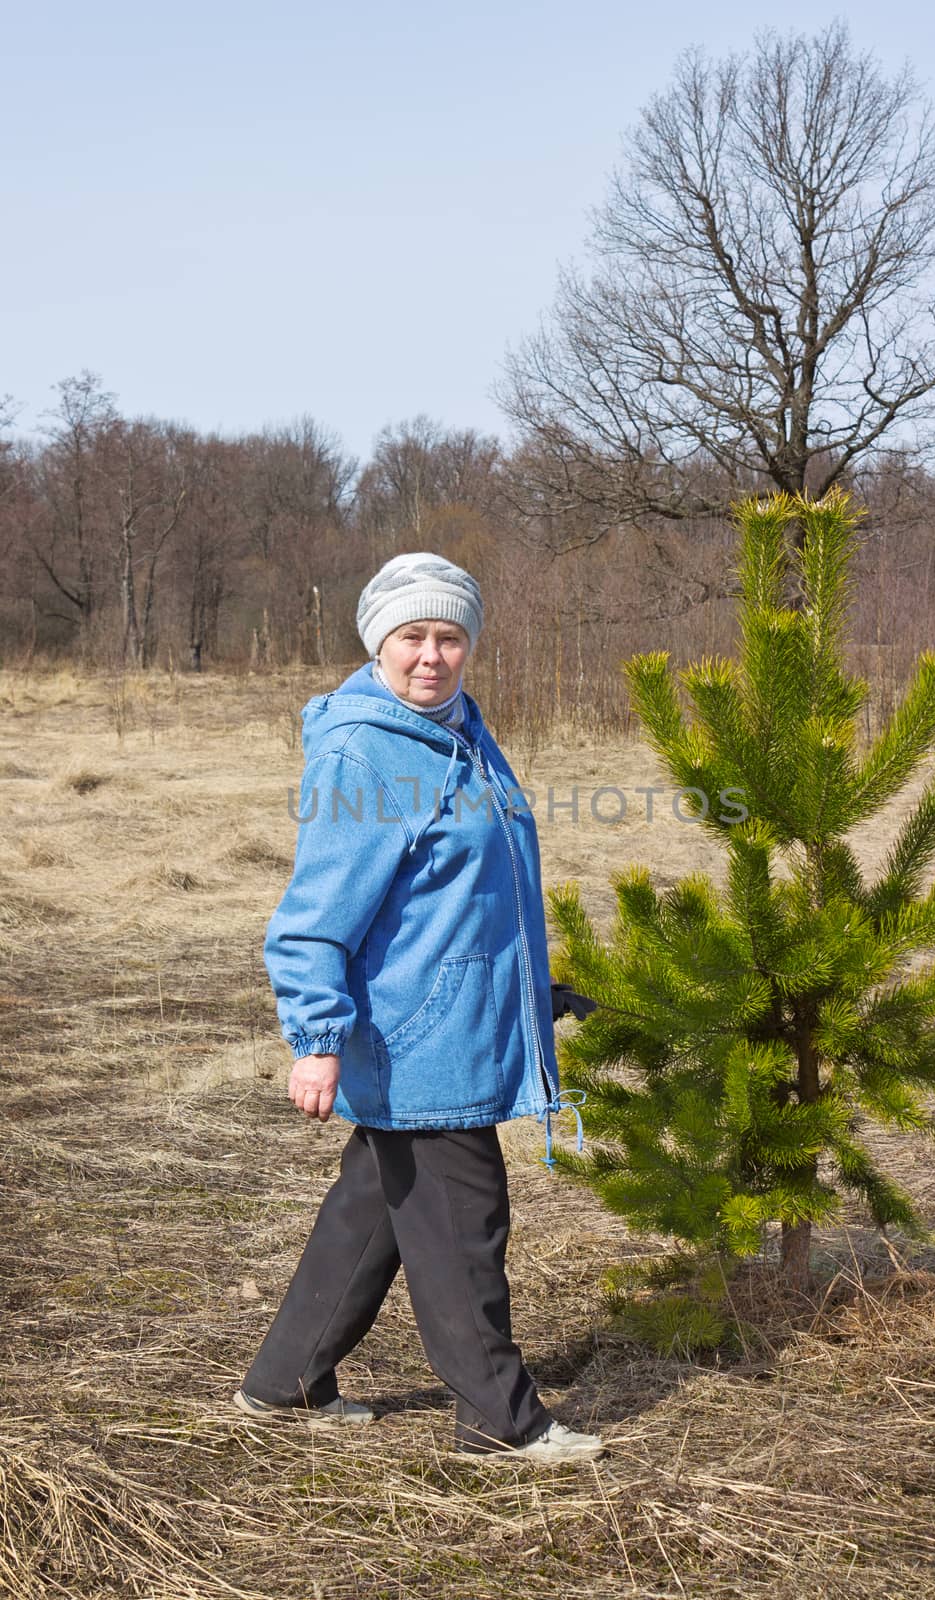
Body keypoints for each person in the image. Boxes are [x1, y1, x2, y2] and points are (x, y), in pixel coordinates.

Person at [233, 552, 604, 1462]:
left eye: (449, 637)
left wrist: (527, 993)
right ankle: (500, 1417)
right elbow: (315, 919)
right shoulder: (370, 751)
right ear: (379, 644)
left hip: (452, 1018)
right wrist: (316, 1039)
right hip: (415, 1034)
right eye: (411, 637)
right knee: (462, 1219)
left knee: (373, 1209)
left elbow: (468, 893)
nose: (431, 656)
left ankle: (284, 1382)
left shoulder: (458, 731)